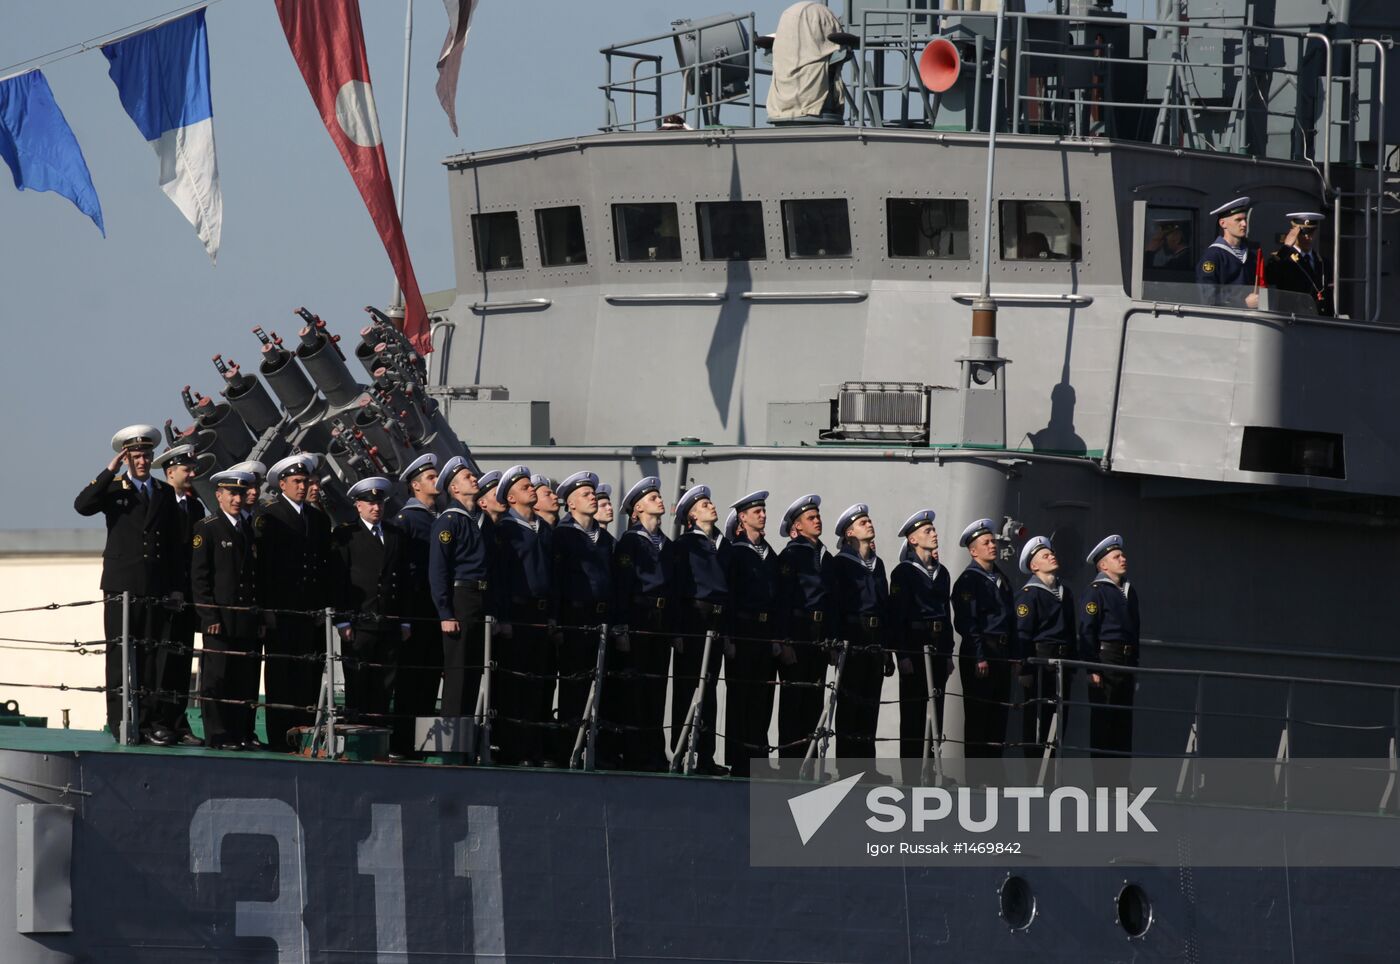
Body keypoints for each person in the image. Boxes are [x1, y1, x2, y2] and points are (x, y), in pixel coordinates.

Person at [74, 424, 180, 743]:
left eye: (146, 455)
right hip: (121, 584)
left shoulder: (162, 493)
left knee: (151, 654)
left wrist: (175, 586)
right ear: (126, 457)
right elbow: (83, 505)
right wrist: (109, 471)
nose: (142, 461)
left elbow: (174, 544)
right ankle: (118, 718)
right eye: (135, 455)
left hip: (154, 585)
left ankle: (148, 721)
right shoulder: (114, 489)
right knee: (119, 652)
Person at [255, 453, 333, 751]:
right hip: (282, 610)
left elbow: (323, 567)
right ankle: (280, 737)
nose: (303, 487)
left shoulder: (318, 519)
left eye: (306, 481)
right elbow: (264, 569)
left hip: (309, 611)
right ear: (282, 484)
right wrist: (266, 610)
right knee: (281, 677)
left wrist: (323, 606)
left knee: (308, 677)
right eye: (297, 481)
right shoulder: (270, 515)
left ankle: (305, 735)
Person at [190, 470, 263, 750]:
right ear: (218, 495)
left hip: (245, 618)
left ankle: (240, 732)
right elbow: (200, 578)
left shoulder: (248, 528)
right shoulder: (207, 528)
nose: (237, 499)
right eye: (231, 493)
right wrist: (210, 616)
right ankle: (218, 734)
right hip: (219, 620)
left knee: (243, 679)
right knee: (217, 678)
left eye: (240, 494)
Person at [551, 471, 618, 765]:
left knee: (601, 686)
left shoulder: (605, 539)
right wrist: (556, 619)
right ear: (571, 504)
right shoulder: (563, 535)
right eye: (586, 494)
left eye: (593, 493)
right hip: (575, 617)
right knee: (573, 686)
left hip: (601, 619)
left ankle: (596, 749)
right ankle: (568, 748)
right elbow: (556, 581)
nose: (594, 497)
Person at [493, 464, 558, 766]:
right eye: (523, 487)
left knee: (538, 686)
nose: (531, 488)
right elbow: (501, 577)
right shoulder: (506, 529)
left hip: (541, 615)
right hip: (517, 614)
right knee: (515, 685)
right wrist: (502, 616)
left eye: (530, 485)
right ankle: (513, 749)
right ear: (511, 498)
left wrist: (553, 616)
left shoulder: (544, 529)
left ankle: (535, 748)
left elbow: (553, 576)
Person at [333, 477, 409, 731]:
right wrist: (342, 619)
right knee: (358, 679)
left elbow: (403, 578)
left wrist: (404, 620)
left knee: (385, 680)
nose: (376, 508)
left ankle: (379, 731)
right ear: (358, 506)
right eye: (370, 503)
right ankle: (357, 731)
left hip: (388, 619)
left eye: (379, 503)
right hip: (359, 621)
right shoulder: (346, 534)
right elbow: (339, 579)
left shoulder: (395, 535)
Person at [612, 476, 674, 771]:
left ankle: (654, 750)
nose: (659, 500)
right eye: (652, 498)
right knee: (635, 687)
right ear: (637, 508)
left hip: (662, 620)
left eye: (658, 497)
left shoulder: (667, 545)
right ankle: (634, 750)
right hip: (639, 616)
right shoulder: (631, 542)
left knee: (657, 686)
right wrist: (621, 626)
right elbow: (622, 586)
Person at [429, 457, 492, 729]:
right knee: (457, 670)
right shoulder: (449, 521)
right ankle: (450, 737)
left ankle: (466, 735)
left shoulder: (481, 520)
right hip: (461, 597)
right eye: (467, 477)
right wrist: (445, 611)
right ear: (454, 489)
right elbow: (439, 570)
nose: (474, 479)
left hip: (480, 597)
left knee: (475, 668)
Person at [723, 490, 783, 777]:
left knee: (762, 698)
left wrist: (776, 636)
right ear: (742, 518)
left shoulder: (770, 555)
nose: (762, 514)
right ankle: (739, 757)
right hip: (743, 630)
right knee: (740, 696)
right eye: (755, 511)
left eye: (763, 510)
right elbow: (729, 597)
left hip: (764, 630)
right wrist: (728, 637)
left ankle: (758, 754)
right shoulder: (734, 552)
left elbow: (777, 598)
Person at [670, 484, 730, 775]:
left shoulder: (723, 545)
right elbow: (678, 588)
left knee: (709, 690)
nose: (711, 506)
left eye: (710, 502)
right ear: (692, 515)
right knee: (687, 686)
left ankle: (705, 754)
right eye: (704, 504)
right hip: (694, 618)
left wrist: (727, 632)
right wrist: (677, 630)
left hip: (717, 621)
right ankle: (681, 751)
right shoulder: (684, 546)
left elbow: (732, 591)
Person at [951, 518, 1019, 757]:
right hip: (981, 651)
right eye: (986, 542)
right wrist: (979, 655)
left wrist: (1013, 656)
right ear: (973, 550)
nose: (993, 546)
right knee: (979, 715)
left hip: (1001, 652)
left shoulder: (1002, 579)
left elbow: (1011, 620)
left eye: (993, 541)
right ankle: (977, 776)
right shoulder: (969, 581)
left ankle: (993, 773)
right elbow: (967, 623)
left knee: (999, 715)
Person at [888, 509, 952, 764]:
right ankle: (913, 770)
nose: (934, 534)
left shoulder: (942, 572)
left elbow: (946, 616)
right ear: (913, 540)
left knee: (937, 708)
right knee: (913, 712)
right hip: (915, 646)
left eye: (933, 529)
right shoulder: (903, 573)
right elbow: (897, 617)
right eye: (927, 531)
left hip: (937, 647)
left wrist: (947, 653)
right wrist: (901, 654)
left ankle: (933, 765)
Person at [390, 453, 443, 758]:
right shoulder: (407, 520)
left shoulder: (439, 517)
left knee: (429, 680)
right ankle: (403, 744)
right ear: (415, 485)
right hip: (417, 610)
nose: (437, 481)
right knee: (410, 681)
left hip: (436, 612)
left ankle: (421, 745)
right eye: (431, 478)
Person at [153, 443, 205, 745]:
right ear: (170, 472)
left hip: (187, 597)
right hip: (166, 598)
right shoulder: (161, 503)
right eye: (186, 469)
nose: (192, 474)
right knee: (163, 661)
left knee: (182, 660)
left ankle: (178, 720)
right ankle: (160, 720)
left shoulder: (194, 505)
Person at [828, 503, 889, 760]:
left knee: (870, 703)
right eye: (863, 523)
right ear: (849, 533)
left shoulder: (878, 564)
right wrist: (834, 641)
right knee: (850, 702)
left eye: (869, 520)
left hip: (874, 639)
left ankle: (867, 763)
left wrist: (887, 647)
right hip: (852, 635)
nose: (869, 524)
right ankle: (847, 763)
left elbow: (885, 606)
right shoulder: (840, 564)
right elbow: (834, 603)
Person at [1014, 536, 1084, 757]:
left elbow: (1071, 633)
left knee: (1059, 721)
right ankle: (1034, 776)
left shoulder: (1066, 593)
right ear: (1034, 566)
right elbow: (1023, 634)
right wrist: (1025, 669)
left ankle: (1051, 773)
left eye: (1051, 553)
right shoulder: (1029, 595)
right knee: (1037, 721)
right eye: (1045, 555)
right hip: (1040, 664)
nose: (1051, 556)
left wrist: (1072, 667)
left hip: (1062, 665)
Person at [777, 494, 834, 758]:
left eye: (818, 516)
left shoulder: (826, 556)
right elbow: (784, 599)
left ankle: (809, 759)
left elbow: (833, 602)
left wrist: (832, 639)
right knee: (794, 699)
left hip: (820, 634)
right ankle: (791, 757)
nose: (817, 520)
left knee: (814, 697)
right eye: (811, 518)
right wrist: (785, 640)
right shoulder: (791, 555)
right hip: (798, 631)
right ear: (797, 527)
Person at [1081, 534, 1140, 758]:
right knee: (1103, 722)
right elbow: (1087, 631)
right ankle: (1103, 784)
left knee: (1123, 724)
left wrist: (1135, 667)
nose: (1122, 559)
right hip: (1106, 661)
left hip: (1126, 662)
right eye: (1117, 556)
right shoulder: (1096, 591)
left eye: (1122, 555)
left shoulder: (1129, 592)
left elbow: (1135, 632)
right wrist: (1092, 668)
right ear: (1103, 564)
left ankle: (1121, 782)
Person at [1197, 196, 1262, 309]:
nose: (1244, 224)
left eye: (1245, 219)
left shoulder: (1251, 255)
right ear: (1223, 223)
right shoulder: (1213, 256)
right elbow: (1208, 297)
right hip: (1225, 321)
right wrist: (1243, 302)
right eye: (1238, 220)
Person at [1265, 211, 1332, 316]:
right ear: (1294, 232)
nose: (1307, 238)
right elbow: (1270, 277)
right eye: (1303, 233)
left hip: (1318, 320)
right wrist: (1286, 247)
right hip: (1293, 319)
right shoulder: (1283, 259)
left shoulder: (1322, 262)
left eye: (1311, 233)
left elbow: (1328, 298)